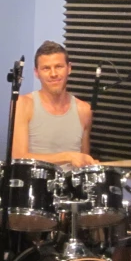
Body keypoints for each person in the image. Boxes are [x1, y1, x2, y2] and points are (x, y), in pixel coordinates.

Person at [12, 40, 97, 168]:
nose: (53, 74)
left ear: (69, 68)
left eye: (59, 67)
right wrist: (67, 156)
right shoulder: (23, 104)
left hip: (71, 187)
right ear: (36, 73)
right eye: (46, 68)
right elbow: (18, 156)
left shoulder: (84, 110)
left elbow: (83, 165)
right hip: (36, 185)